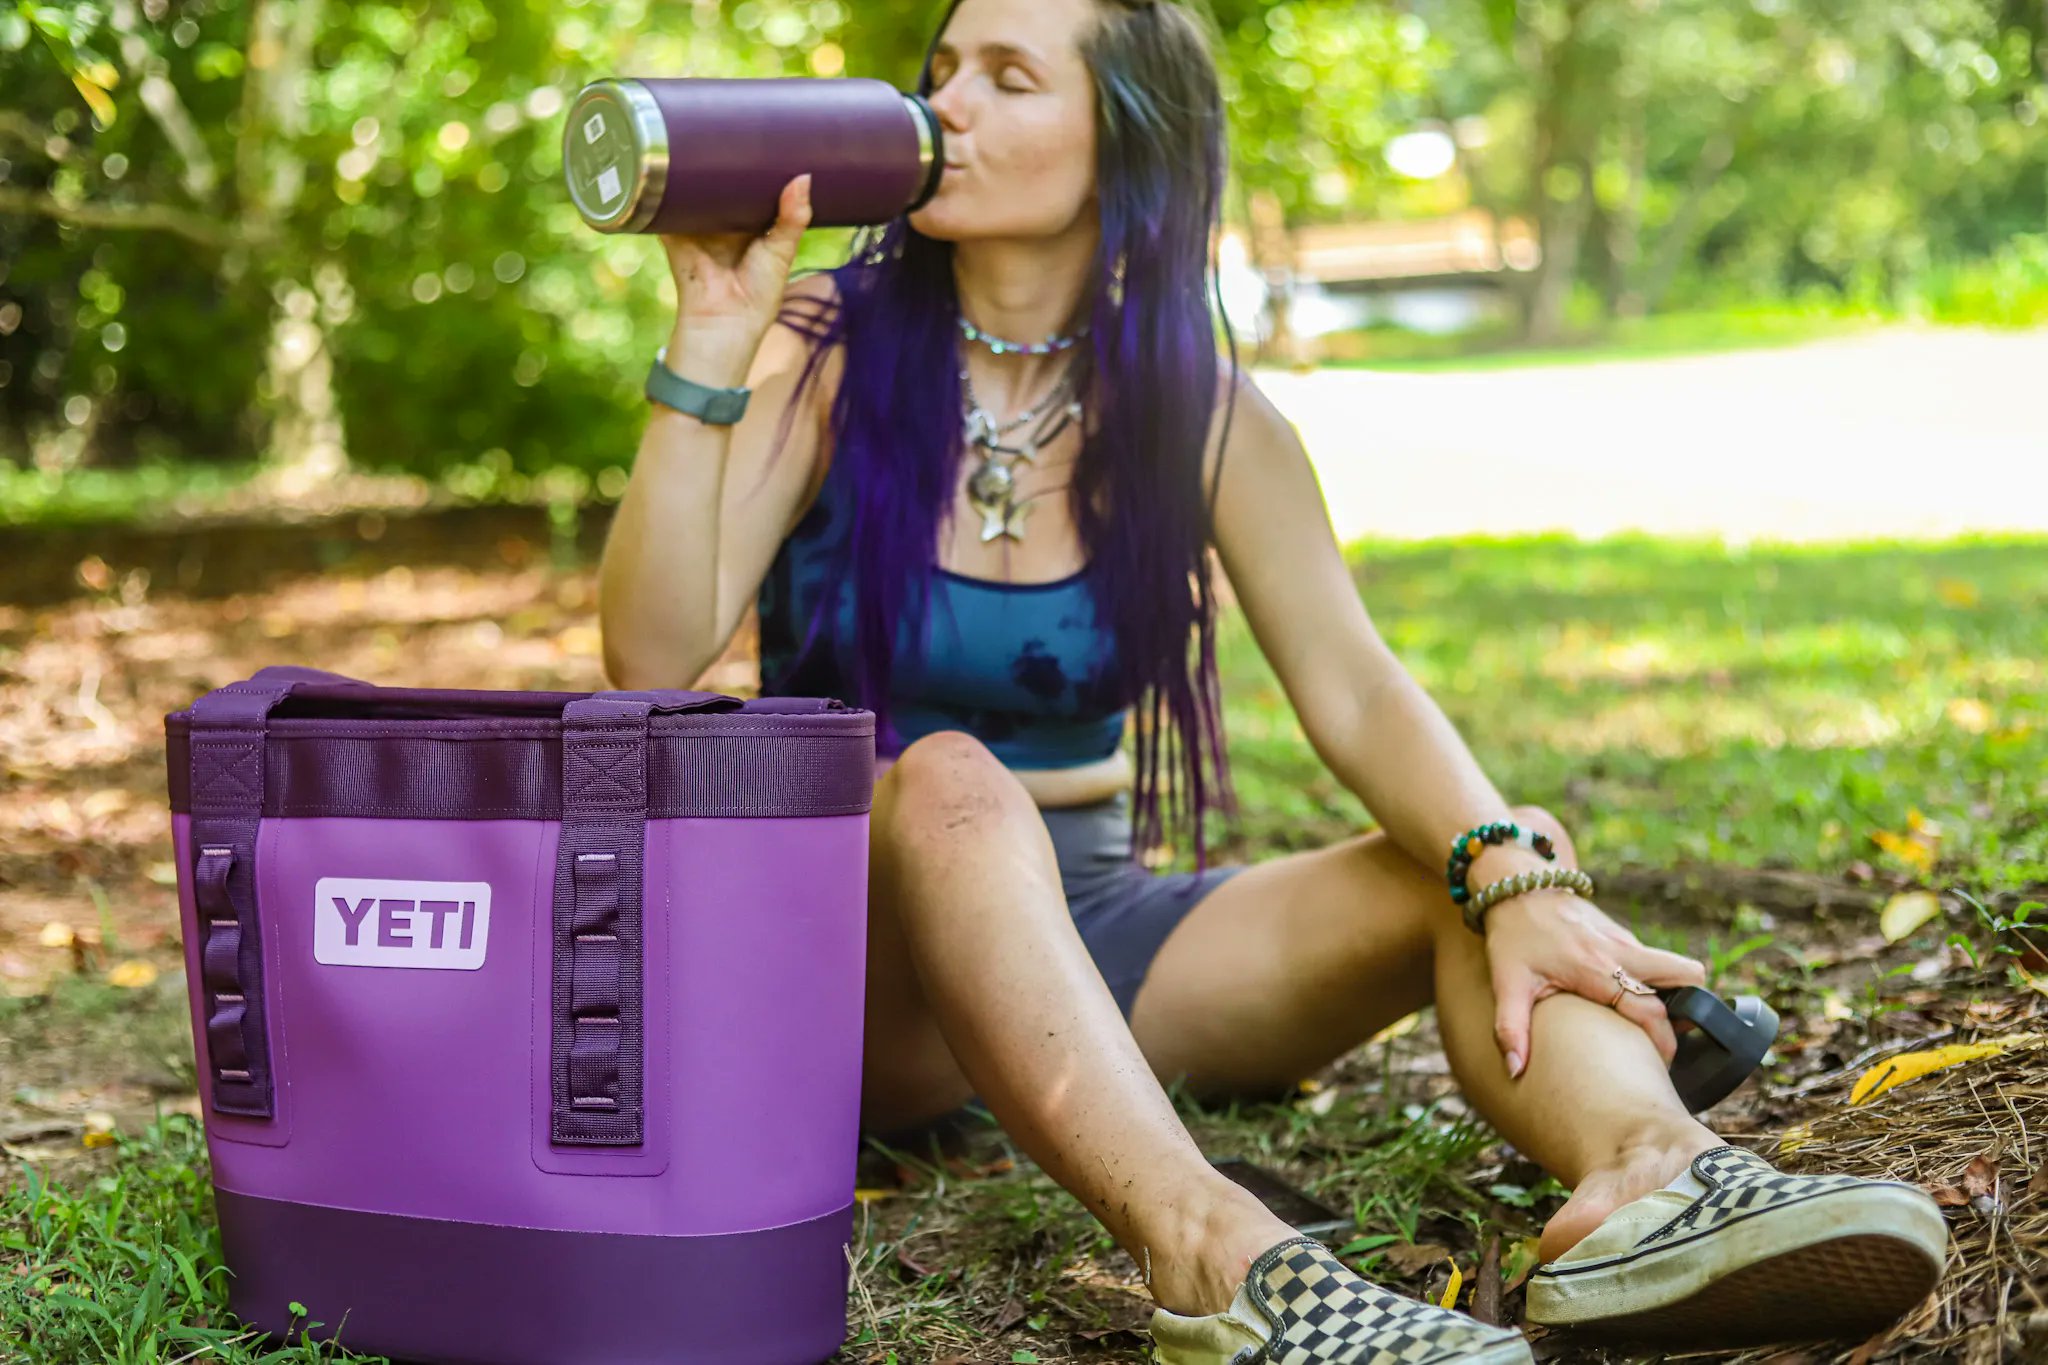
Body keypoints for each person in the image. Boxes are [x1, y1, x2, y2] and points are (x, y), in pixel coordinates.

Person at [596, 1, 1950, 1359]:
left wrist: (1516, 872)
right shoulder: (822, 344)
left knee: (1485, 846)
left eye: (1010, 78)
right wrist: (711, 340)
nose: (948, 104)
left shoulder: (1201, 410)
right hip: (856, 969)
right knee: (954, 777)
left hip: (1103, 942)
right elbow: (652, 655)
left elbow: (1355, 689)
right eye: (943, 71)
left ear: (1126, 139)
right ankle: (1216, 1253)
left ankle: (1658, 1173)